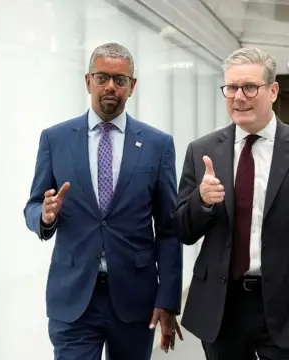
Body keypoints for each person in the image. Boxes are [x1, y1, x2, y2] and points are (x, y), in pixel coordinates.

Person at [174, 47, 289, 360]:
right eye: (231, 88)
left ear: (273, 91)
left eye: (250, 87)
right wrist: (201, 201)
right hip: (222, 308)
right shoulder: (202, 151)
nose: (239, 96)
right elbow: (183, 231)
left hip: (287, 306)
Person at [23, 42, 183, 360]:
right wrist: (46, 215)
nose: (110, 86)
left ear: (132, 86)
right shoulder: (55, 139)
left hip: (135, 299)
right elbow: (32, 206)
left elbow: (169, 228)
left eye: (120, 79)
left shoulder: (157, 144)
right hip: (74, 298)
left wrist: (168, 299)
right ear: (88, 81)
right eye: (102, 77)